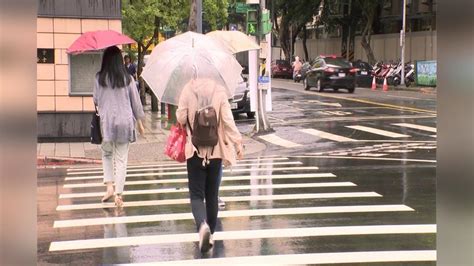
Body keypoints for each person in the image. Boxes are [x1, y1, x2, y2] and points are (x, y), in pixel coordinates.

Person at [176, 78, 243, 253]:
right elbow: (228, 121)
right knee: (212, 195)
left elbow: (181, 118)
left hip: (195, 151)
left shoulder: (188, 88)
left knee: (197, 196)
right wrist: (238, 143)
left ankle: (202, 226)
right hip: (216, 152)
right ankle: (210, 234)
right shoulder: (219, 90)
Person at [93, 46, 145, 207]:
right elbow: (135, 103)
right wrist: (140, 123)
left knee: (107, 155)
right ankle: (118, 194)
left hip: (106, 123)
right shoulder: (128, 78)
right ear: (120, 60)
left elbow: (95, 100)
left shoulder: (99, 78)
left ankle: (109, 187)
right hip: (124, 122)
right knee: (121, 159)